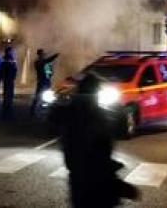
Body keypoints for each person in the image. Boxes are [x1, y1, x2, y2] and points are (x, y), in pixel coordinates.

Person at [51, 73, 139, 207]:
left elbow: (54, 120)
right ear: (96, 92)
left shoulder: (69, 112)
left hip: (78, 182)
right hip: (98, 185)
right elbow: (99, 157)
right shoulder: (96, 115)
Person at [30, 49, 60, 117]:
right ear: (39, 55)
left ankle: (45, 110)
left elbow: (50, 70)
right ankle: (33, 111)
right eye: (42, 54)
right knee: (38, 96)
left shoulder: (46, 62)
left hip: (47, 81)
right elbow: (46, 62)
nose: (43, 55)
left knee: (47, 96)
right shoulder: (38, 62)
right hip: (41, 81)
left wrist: (50, 74)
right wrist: (54, 56)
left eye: (43, 54)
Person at [0, 47, 18, 120]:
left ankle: (8, 113)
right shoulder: (5, 60)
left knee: (9, 97)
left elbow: (15, 70)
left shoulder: (11, 60)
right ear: (8, 52)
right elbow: (3, 71)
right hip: (7, 81)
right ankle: (6, 114)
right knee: (7, 97)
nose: (13, 52)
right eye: (12, 51)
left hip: (10, 80)